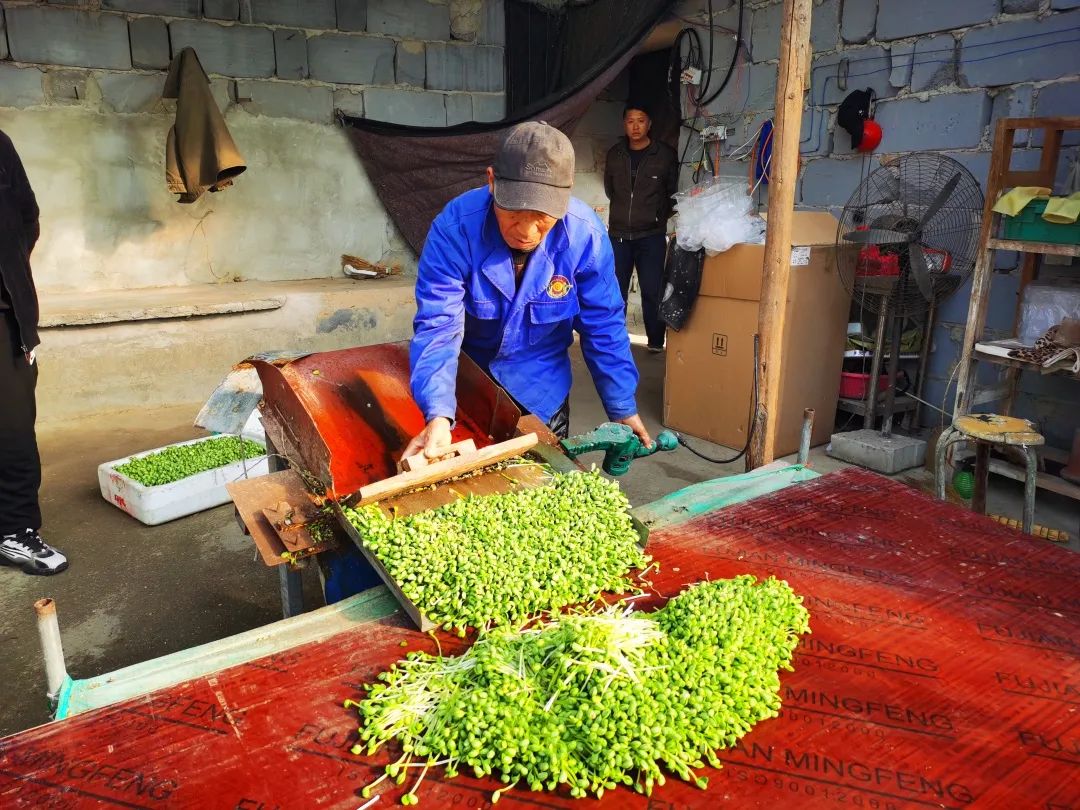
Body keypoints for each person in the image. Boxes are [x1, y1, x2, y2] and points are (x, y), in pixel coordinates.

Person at [403, 121, 652, 460]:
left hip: (542, 388)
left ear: (565, 198)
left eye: (542, 217)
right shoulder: (454, 230)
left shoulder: (585, 236)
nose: (526, 230)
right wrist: (438, 413)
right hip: (471, 387)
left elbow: (603, 325)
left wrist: (621, 404)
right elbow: (438, 328)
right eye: (515, 213)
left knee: (546, 476)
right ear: (492, 182)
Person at [0, 129, 68, 576]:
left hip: (5, 314)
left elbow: (28, 216)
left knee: (13, 428)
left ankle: (15, 531)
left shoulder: (0, 145)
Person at [604, 103, 679, 353]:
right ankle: (615, 341)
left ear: (649, 124)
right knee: (615, 292)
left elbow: (671, 193)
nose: (635, 126)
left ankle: (656, 342)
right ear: (624, 124)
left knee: (652, 290)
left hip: (651, 236)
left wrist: (657, 217)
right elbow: (610, 190)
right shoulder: (615, 154)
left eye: (641, 121)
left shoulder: (664, 155)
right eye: (630, 121)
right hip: (618, 235)